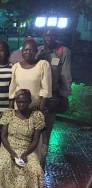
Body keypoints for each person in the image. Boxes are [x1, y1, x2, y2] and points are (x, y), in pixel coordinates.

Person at [0, 89, 45, 188]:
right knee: (2, 165)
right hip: (8, 147)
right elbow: (3, 136)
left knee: (35, 169)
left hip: (27, 148)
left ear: (29, 101)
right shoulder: (9, 114)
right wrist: (12, 152)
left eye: (24, 102)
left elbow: (35, 141)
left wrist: (25, 154)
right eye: (18, 102)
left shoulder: (36, 116)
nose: (21, 104)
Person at [36, 28, 72, 167]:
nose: (49, 38)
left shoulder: (63, 52)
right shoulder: (38, 51)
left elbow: (66, 75)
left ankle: (42, 164)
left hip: (52, 98)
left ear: (57, 35)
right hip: (37, 96)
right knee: (33, 130)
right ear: (43, 36)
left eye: (52, 35)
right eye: (46, 35)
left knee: (46, 131)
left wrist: (65, 96)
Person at [9, 39, 52, 111]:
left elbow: (46, 90)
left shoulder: (42, 65)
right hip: (18, 109)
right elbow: (12, 90)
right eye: (26, 49)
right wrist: (10, 109)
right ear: (22, 51)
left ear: (36, 51)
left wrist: (40, 110)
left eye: (31, 50)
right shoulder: (16, 67)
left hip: (35, 108)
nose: (28, 52)